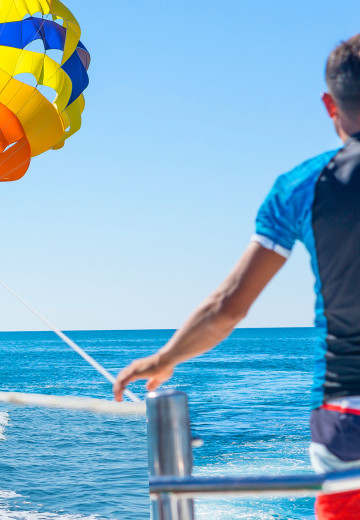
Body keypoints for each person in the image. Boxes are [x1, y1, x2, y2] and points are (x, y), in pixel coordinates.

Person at [113, 35, 360, 519]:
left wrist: (165, 359)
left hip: (345, 417)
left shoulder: (301, 186)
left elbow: (229, 305)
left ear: (329, 103)